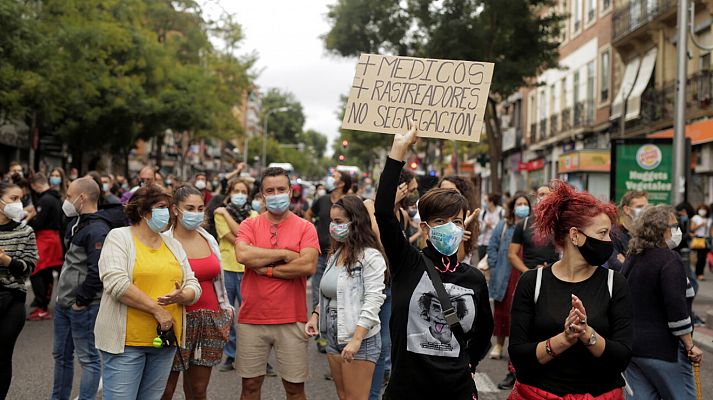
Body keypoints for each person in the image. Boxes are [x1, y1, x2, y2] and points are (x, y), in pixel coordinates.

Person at [375, 124, 493, 399]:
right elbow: (383, 211)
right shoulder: (408, 263)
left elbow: (483, 333)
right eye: (440, 221)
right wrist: (398, 151)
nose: (449, 228)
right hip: (408, 390)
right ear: (426, 229)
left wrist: (469, 363)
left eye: (456, 221)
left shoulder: (473, 279)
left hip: (456, 391)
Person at [508, 181, 633, 399]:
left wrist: (587, 334)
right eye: (602, 233)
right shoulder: (532, 282)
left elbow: (622, 357)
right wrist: (564, 339)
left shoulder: (616, 283)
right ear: (575, 236)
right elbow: (519, 356)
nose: (608, 241)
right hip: (538, 393)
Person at [95, 184, 201, 400]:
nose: (168, 212)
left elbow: (193, 284)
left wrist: (185, 295)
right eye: (161, 206)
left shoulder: (173, 244)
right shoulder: (119, 238)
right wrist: (158, 311)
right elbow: (116, 284)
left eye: (169, 207)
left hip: (164, 342)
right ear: (143, 211)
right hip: (126, 344)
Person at [234, 167, 320, 400]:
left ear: (291, 192)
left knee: (294, 390)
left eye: (281, 189)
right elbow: (243, 256)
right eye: (269, 191)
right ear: (261, 196)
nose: (276, 194)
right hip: (252, 319)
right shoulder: (248, 226)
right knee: (250, 387)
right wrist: (286, 253)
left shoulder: (305, 227)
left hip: (291, 319)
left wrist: (267, 270)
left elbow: (307, 266)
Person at [305, 195, 387, 400]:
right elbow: (329, 292)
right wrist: (315, 315)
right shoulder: (336, 254)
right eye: (332, 221)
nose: (333, 227)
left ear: (355, 222)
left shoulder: (370, 256)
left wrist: (357, 339)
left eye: (339, 222)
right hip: (333, 335)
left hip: (358, 336)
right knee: (343, 396)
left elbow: (373, 300)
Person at [622, 205, 703, 400]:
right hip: (665, 349)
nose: (678, 230)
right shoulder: (669, 259)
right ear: (660, 229)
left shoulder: (633, 256)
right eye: (674, 226)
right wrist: (690, 345)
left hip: (632, 347)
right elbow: (676, 306)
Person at [161, 186, 233, 400]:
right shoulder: (164, 241)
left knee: (198, 391)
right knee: (165, 390)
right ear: (175, 210)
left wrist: (225, 313)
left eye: (200, 208)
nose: (196, 213)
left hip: (210, 321)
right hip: (175, 322)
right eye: (189, 208)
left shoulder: (208, 239)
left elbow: (218, 279)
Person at [51, 178, 112, 400]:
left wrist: (81, 301)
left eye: (69, 196)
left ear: (82, 198)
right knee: (61, 357)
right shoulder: (77, 223)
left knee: (88, 360)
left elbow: (97, 271)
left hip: (83, 306)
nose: (66, 201)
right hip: (65, 304)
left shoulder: (97, 229)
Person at [212, 179, 258, 372]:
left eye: (243, 191)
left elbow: (242, 236)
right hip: (228, 269)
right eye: (236, 191)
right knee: (228, 315)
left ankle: (256, 355)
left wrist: (225, 212)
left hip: (249, 269)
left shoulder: (255, 214)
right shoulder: (218, 214)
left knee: (252, 316)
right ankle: (231, 355)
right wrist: (223, 211)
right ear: (229, 193)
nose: (239, 194)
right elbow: (236, 238)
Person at [305, 170, 352, 352]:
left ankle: (340, 336)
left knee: (341, 295)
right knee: (319, 294)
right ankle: (321, 336)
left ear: (342, 183)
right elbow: (309, 214)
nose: (331, 179)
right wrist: (313, 233)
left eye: (336, 177)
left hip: (344, 256)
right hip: (322, 255)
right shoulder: (322, 200)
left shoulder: (350, 202)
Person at [0, 181, 38, 399]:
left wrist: (7, 260)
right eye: (13, 198)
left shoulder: (26, 232)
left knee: (2, 357)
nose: (19, 203)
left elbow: (27, 269)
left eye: (20, 198)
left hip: (12, 300)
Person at [487, 193, 531, 360]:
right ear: (513, 207)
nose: (521, 207)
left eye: (525, 204)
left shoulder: (532, 226)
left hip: (524, 271)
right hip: (505, 273)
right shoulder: (504, 225)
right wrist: (494, 267)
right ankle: (499, 344)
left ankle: (518, 346)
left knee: (520, 311)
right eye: (519, 204)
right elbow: (492, 247)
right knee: (502, 311)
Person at [25, 174, 64, 321]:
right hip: (53, 238)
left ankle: (42, 306)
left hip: (45, 239)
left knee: (36, 270)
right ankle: (43, 305)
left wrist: (28, 221)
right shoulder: (55, 197)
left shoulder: (45, 199)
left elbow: (39, 223)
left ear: (35, 185)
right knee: (46, 272)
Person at [439, 176, 478, 263]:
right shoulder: (433, 218)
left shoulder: (469, 220)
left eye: (452, 191)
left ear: (462, 195)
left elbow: (458, 260)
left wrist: (458, 238)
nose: (446, 195)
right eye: (442, 191)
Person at [607, 191, 648, 272]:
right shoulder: (614, 234)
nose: (645, 210)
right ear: (627, 209)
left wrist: (626, 262)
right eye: (640, 207)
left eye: (646, 207)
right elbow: (617, 266)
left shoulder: (648, 232)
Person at [477, 193, 504, 261]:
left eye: (486, 201)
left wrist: (491, 226)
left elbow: (502, 228)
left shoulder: (501, 212)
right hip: (483, 244)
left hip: (496, 244)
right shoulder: (483, 213)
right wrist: (485, 225)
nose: (484, 203)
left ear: (491, 202)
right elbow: (479, 229)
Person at [690, 204, 710, 281]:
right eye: (701, 209)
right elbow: (692, 228)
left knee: (704, 258)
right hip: (698, 239)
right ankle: (699, 273)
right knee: (700, 257)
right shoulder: (696, 218)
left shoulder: (708, 219)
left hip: (706, 240)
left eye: (704, 209)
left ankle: (700, 273)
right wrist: (700, 225)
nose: (702, 211)